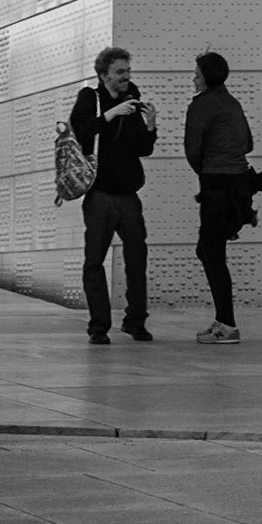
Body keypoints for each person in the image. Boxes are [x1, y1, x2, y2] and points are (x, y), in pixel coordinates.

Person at [70, 47, 158, 345]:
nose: (126, 77)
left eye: (128, 71)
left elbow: (142, 149)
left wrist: (150, 127)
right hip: (98, 194)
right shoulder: (89, 98)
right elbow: (79, 133)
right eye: (120, 72)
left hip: (128, 194)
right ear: (104, 74)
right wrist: (108, 115)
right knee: (94, 260)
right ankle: (98, 327)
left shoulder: (133, 99)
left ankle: (136, 321)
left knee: (137, 259)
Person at [185, 51, 259, 345]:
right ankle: (222, 320)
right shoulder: (233, 103)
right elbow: (249, 142)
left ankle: (227, 325)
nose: (193, 78)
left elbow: (192, 149)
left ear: (206, 77)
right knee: (208, 250)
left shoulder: (201, 106)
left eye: (197, 74)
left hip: (217, 183)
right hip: (241, 184)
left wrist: (206, 171)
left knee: (211, 251)